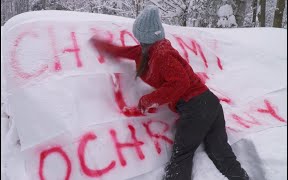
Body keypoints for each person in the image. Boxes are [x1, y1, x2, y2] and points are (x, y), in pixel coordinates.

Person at [90, 5, 249, 180]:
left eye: (140, 38)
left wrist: (149, 99)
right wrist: (101, 45)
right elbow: (124, 51)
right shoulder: (147, 51)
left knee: (181, 157)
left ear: (147, 37)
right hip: (209, 104)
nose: (138, 42)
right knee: (220, 151)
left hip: (196, 107)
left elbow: (180, 83)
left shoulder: (163, 54)